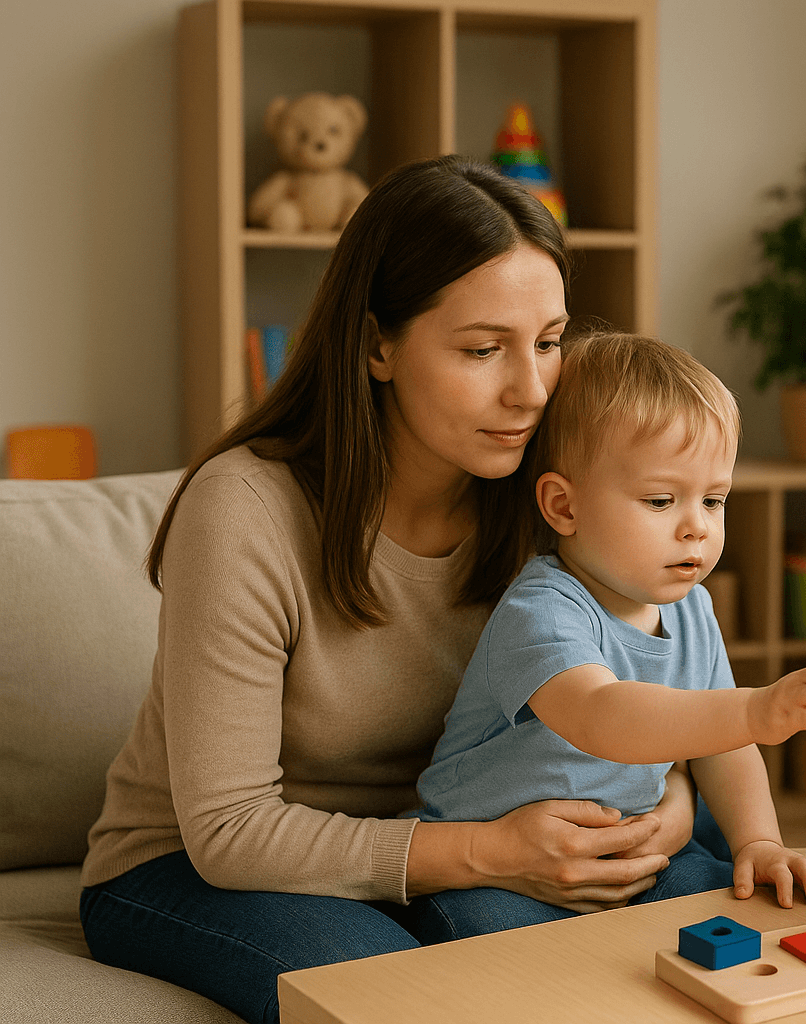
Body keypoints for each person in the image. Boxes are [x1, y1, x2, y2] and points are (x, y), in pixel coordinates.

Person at [77, 156, 714, 1024]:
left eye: (551, 341)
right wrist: (488, 853)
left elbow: (656, 692)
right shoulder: (246, 511)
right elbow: (228, 832)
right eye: (483, 349)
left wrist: (665, 811)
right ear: (378, 343)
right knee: (410, 1001)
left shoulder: (550, 490)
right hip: (200, 865)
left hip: (465, 831)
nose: (530, 390)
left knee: (726, 890)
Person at [406, 332, 806, 932]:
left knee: (732, 912)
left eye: (713, 500)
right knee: (507, 966)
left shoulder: (693, 609)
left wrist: (758, 842)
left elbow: (723, 746)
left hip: (632, 854)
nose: (696, 529)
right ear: (564, 507)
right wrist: (757, 709)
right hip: (497, 873)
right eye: (661, 500)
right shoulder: (541, 609)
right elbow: (603, 716)